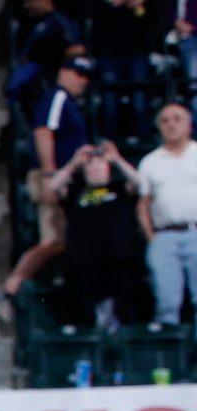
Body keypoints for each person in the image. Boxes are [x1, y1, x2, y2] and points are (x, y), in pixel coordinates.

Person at [0, 54, 94, 328]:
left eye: (86, 76)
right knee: (53, 239)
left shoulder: (70, 102)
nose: (83, 81)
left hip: (64, 179)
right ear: (64, 72)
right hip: (51, 176)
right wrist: (50, 173)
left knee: (64, 240)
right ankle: (9, 289)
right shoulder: (57, 98)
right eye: (78, 74)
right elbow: (43, 132)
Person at [48, 140, 149, 327]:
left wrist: (116, 159)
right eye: (90, 165)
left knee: (123, 311)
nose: (95, 168)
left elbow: (140, 183)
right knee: (89, 313)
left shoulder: (119, 189)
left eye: (100, 164)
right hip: (85, 261)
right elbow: (53, 187)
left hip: (119, 258)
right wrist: (74, 162)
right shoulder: (76, 192)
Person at [142, 101, 197, 324]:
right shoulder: (150, 162)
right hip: (164, 237)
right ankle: (169, 358)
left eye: (176, 119)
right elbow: (143, 206)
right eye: (165, 121)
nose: (171, 125)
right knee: (167, 304)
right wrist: (152, 239)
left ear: (189, 124)